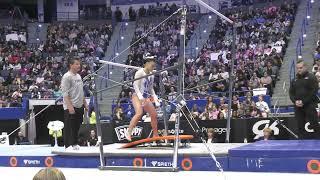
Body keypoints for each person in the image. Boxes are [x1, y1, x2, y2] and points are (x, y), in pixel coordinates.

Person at [125, 55, 160, 141]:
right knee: (139, 113)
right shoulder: (139, 72)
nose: (153, 67)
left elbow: (151, 88)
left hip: (145, 98)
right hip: (137, 96)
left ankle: (155, 135)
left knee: (154, 114)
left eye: (154, 66)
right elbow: (135, 86)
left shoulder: (152, 74)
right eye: (152, 66)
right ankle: (128, 132)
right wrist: (140, 98)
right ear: (146, 64)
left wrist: (155, 98)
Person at [61, 57, 88, 150]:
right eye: (76, 64)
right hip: (71, 106)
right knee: (69, 126)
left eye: (79, 64)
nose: (79, 66)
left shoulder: (79, 76)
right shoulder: (67, 76)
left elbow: (81, 91)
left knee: (77, 126)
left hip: (79, 105)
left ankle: (75, 143)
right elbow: (65, 93)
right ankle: (68, 145)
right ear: (71, 65)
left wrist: (85, 103)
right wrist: (69, 106)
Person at [289, 60, 320, 139]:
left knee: (314, 124)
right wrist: (295, 101)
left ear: (305, 67)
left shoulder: (311, 77)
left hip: (310, 105)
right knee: (300, 126)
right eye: (297, 68)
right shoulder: (294, 79)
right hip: (298, 107)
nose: (299, 69)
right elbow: (291, 93)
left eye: (301, 68)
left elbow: (314, 92)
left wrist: (304, 101)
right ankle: (301, 145)